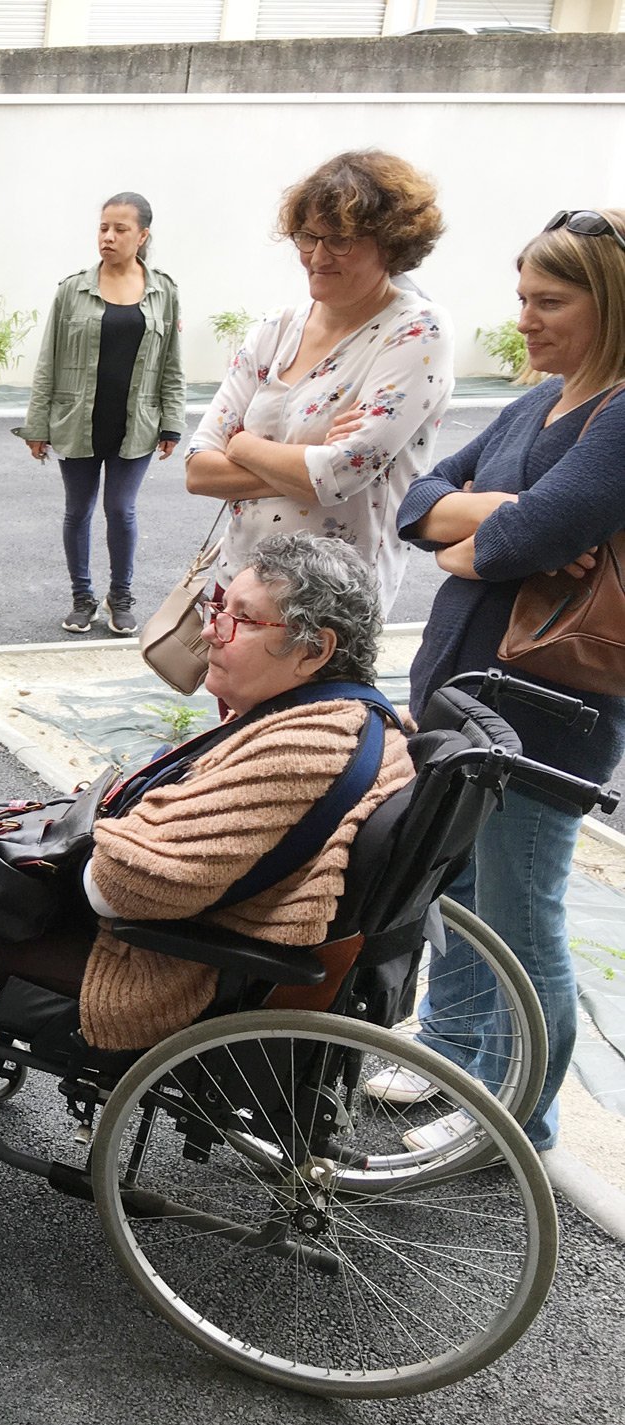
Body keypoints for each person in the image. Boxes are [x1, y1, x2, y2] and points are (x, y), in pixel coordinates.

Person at [0, 534, 412, 1053]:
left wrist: (105, 841)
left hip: (179, 976)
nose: (211, 630)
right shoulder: (365, 722)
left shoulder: (299, 751)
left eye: (243, 619)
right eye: (219, 607)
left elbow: (117, 887)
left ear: (314, 649)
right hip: (234, 937)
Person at [393, 208, 625, 1152]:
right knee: (451, 888)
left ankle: (516, 1121)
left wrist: (475, 541)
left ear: (609, 301)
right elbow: (418, 499)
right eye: (522, 296)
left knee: (522, 919)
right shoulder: (543, 400)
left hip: (546, 714)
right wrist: (484, 522)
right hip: (463, 697)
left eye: (549, 300)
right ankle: (451, 1054)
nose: (524, 319)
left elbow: (529, 539)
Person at [186, 150, 454, 611]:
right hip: (238, 585)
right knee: (227, 687)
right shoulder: (277, 328)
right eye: (307, 236)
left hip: (330, 599)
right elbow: (197, 470)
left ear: (392, 244)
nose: (316, 255)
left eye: (340, 240)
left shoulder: (416, 330)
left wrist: (244, 445)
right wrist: (308, 467)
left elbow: (337, 475)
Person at [16, 192, 186, 638]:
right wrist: (37, 425)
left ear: (142, 235)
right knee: (78, 511)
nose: (108, 237)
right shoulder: (73, 289)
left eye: (120, 229)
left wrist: (173, 421)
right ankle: (82, 597)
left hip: (137, 423)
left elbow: (171, 362)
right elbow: (47, 360)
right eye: (103, 228)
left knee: (121, 509)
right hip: (77, 419)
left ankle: (121, 596)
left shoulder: (163, 290)